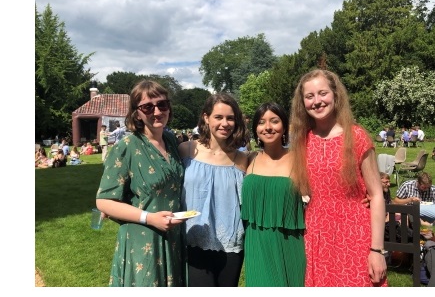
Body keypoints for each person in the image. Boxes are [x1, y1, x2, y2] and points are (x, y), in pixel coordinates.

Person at [290, 69, 387, 287]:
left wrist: (377, 249)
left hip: (355, 235)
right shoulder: (302, 141)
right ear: (302, 102)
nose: (317, 101)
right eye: (309, 96)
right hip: (316, 237)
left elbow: (377, 195)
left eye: (322, 93)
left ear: (335, 94)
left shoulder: (357, 136)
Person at [95, 80, 187, 287]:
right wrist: (149, 218)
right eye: (147, 107)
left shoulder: (171, 141)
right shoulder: (125, 147)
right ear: (137, 114)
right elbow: (104, 201)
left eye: (162, 105)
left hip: (172, 238)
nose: (157, 111)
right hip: (143, 239)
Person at [178, 93, 248, 287]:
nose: (225, 123)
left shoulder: (243, 159)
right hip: (193, 240)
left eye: (230, 118)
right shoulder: (186, 150)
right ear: (206, 118)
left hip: (231, 244)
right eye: (218, 117)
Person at [241, 102, 306, 287]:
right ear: (255, 129)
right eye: (261, 122)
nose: (268, 127)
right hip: (256, 245)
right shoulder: (249, 159)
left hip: (289, 244)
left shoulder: (300, 160)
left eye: (274, 121)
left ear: (284, 126)